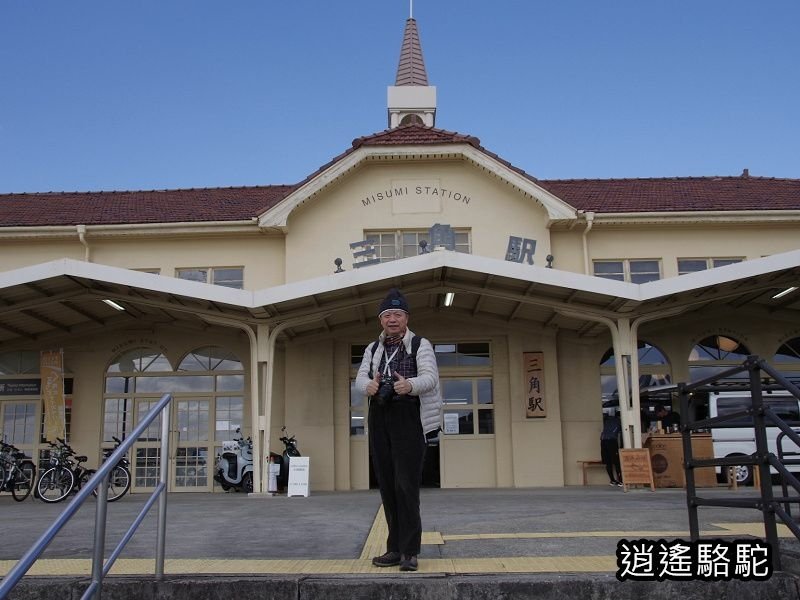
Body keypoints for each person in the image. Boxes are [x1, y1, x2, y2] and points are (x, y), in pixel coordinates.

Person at [355, 288, 441, 572]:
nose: (392, 319)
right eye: (387, 315)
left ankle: (410, 552)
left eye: (398, 314)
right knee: (388, 486)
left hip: (408, 415)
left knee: (406, 486)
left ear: (406, 318)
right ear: (381, 320)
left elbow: (430, 377)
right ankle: (393, 548)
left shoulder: (420, 344)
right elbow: (360, 379)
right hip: (380, 414)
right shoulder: (373, 348)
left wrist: (410, 385)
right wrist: (368, 386)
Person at [600, 408, 623, 486]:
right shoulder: (619, 422)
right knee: (617, 462)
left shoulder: (607, 421)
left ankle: (612, 480)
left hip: (603, 441)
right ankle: (620, 481)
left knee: (608, 462)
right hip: (612, 441)